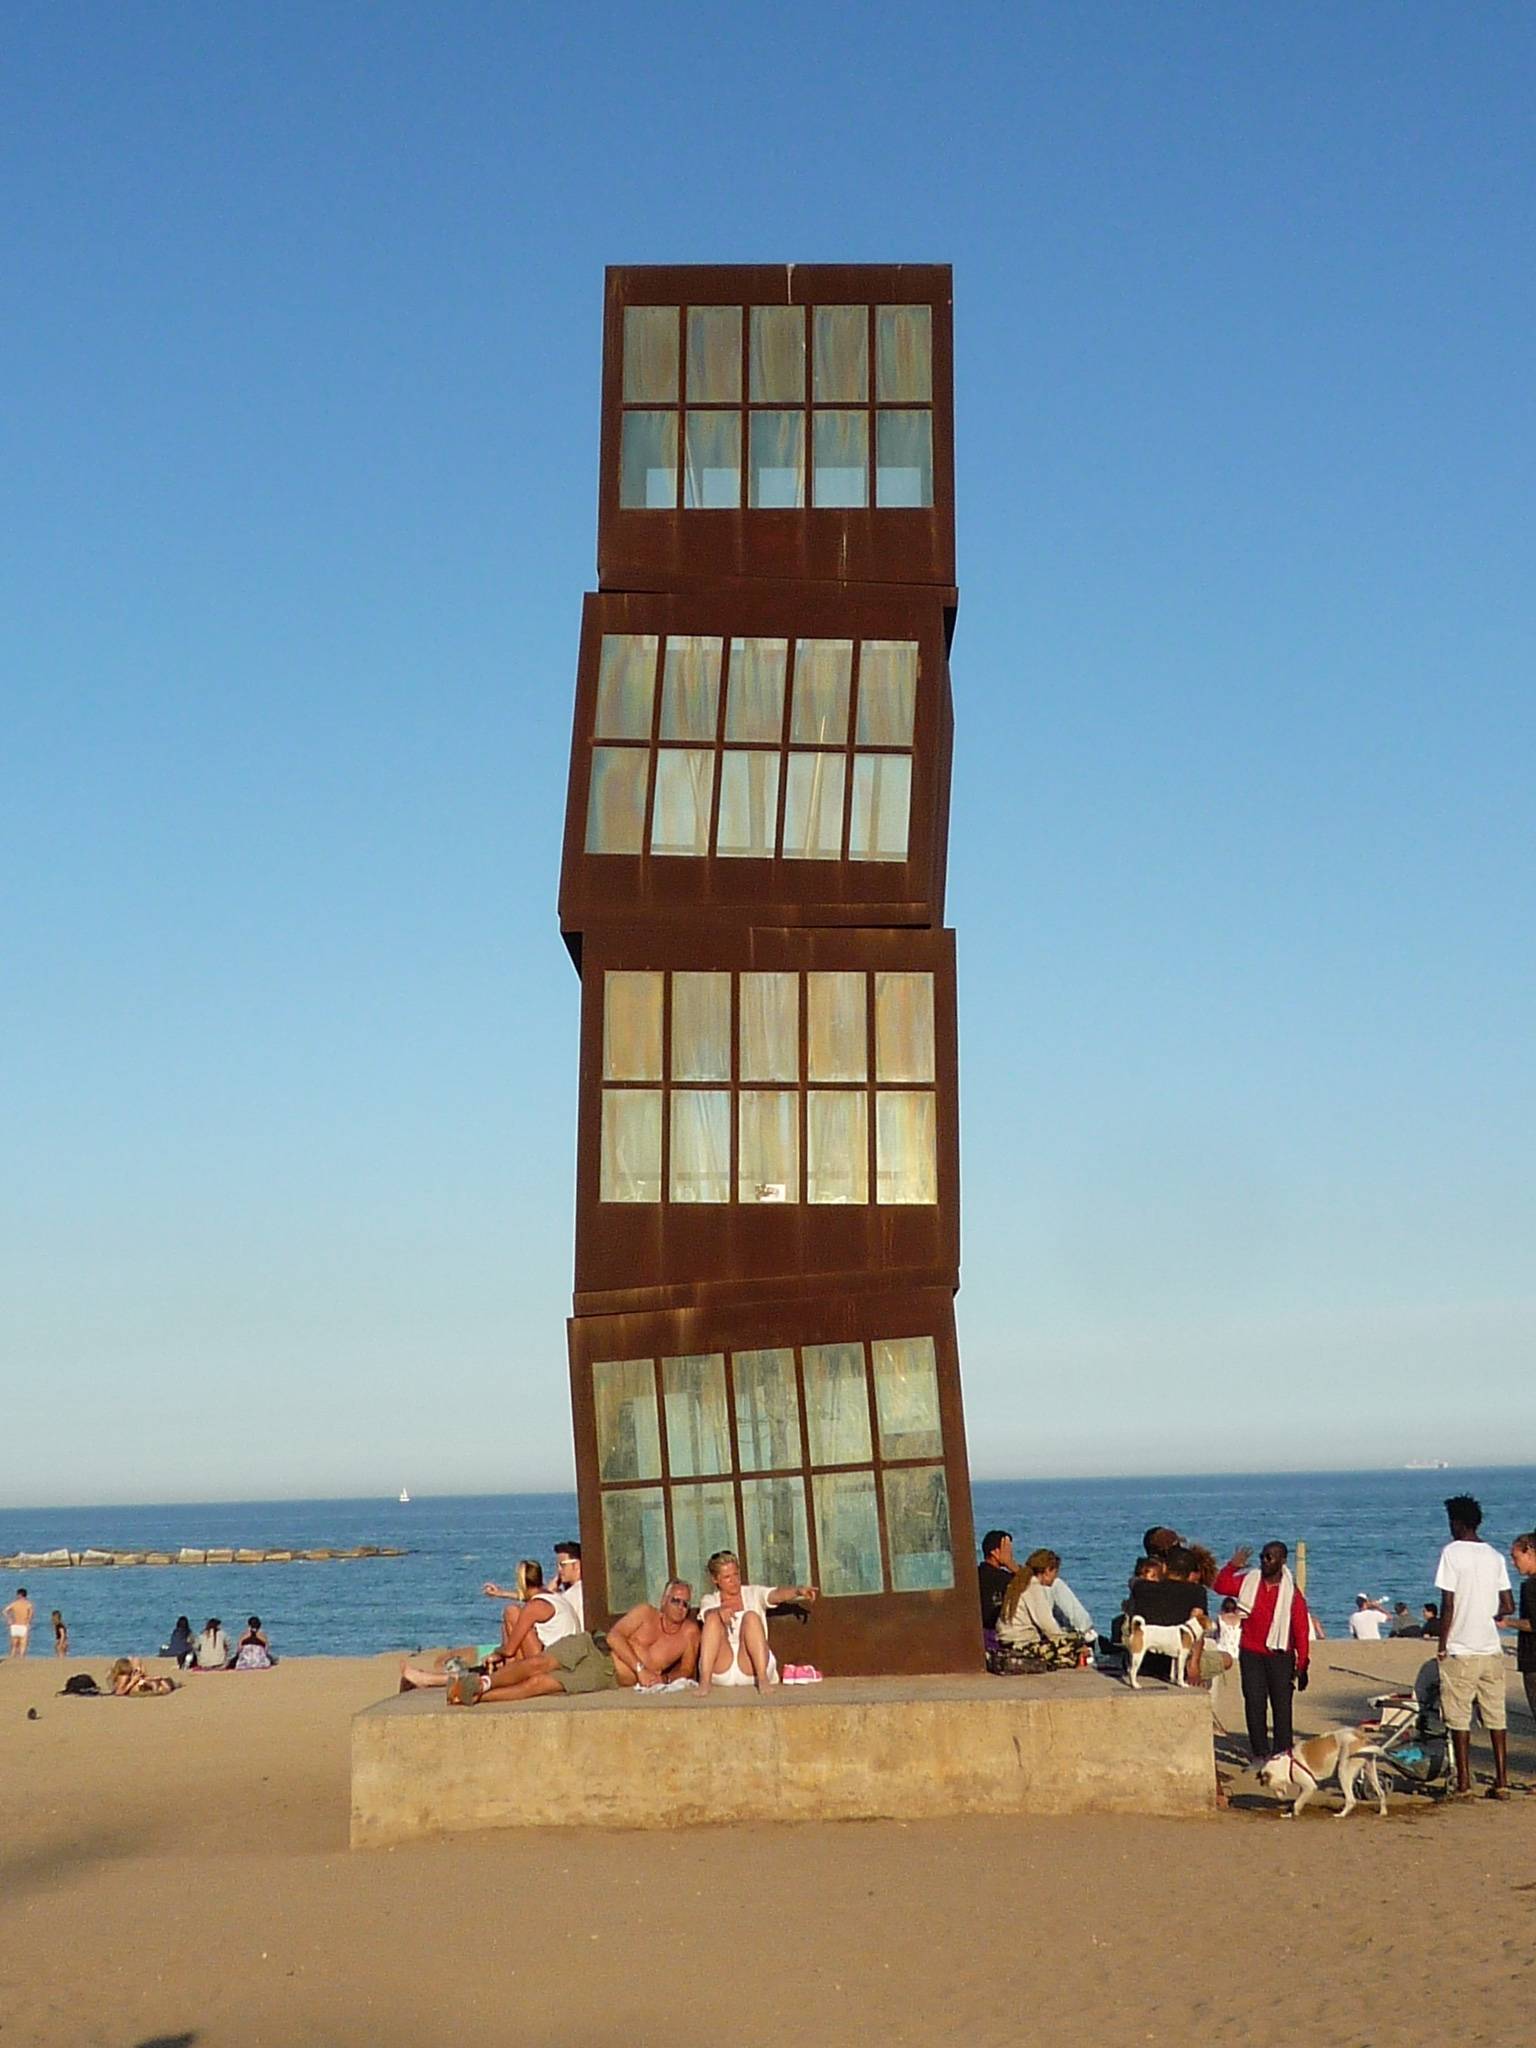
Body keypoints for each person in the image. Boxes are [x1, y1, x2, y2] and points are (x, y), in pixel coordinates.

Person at [1435, 1494, 1513, 1799]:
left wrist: (1442, 1643)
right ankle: (1502, 1780)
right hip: (1491, 1648)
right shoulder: (1494, 1556)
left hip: (1461, 1647)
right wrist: (1488, 1613)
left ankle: (1465, 1782)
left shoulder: (1452, 1553)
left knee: (1458, 1716)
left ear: (1457, 1523)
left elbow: (1448, 1603)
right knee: (1496, 1716)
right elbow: (1508, 1604)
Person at [1213, 1541, 1311, 1761]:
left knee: (1281, 1706)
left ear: (1282, 1560)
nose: (1265, 1561)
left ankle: (1282, 1753)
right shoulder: (1250, 1582)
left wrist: (1302, 1664)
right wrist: (1232, 1565)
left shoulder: (1292, 1594)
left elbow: (1300, 1630)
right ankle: (1260, 1753)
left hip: (1280, 1655)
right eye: (1263, 1556)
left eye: (1270, 1557)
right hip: (1251, 1653)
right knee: (1254, 1702)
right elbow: (1220, 1586)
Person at [698, 1550, 817, 1694]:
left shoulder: (753, 1593)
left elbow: (775, 1595)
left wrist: (797, 1591)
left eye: (736, 1575)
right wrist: (718, 1611)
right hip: (722, 1667)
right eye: (727, 1577)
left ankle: (762, 1680)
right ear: (715, 1580)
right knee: (712, 1618)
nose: (734, 1581)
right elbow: (706, 1613)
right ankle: (704, 1682)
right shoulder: (710, 1599)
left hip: (751, 1665)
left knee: (751, 1617)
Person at [1123, 1547, 1210, 1683]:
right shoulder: (1198, 1592)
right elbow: (1197, 1629)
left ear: (1164, 1567)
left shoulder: (1142, 1587)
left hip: (1146, 1658)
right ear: (1191, 1574)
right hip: (1175, 1658)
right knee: (1226, 1659)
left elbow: (1132, 1581)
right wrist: (1194, 1665)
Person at [996, 1550, 1091, 1669]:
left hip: (1007, 1641)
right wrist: (1070, 1642)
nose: (1056, 1577)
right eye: (1055, 1572)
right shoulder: (1033, 1588)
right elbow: (1048, 1625)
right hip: (1023, 1644)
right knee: (1077, 1642)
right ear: (1047, 1571)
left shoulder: (1018, 1583)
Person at [606, 1581, 701, 1687]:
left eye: (685, 1604)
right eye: (676, 1601)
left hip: (624, 1686)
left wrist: (665, 1679)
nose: (680, 1607)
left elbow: (687, 1670)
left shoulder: (689, 1632)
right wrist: (640, 1669)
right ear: (663, 1600)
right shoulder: (645, 1613)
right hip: (604, 1664)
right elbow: (613, 1636)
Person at [482, 1559, 580, 1662]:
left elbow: (509, 1651)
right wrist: (500, 1593)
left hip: (551, 1661)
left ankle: (516, 1666)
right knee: (513, 1623)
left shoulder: (534, 1607)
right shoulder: (551, 1596)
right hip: (568, 1655)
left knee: (511, 1612)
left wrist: (497, 1651)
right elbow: (527, 1597)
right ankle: (515, 1665)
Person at [1500, 1532, 1536, 1726]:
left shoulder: (1531, 1586)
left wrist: (1509, 1623)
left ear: (1529, 1553)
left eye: (1516, 1558)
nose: (1514, 1563)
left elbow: (1533, 1623)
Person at [978, 1530, 1016, 1631]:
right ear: (995, 1552)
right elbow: (1030, 1584)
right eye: (1008, 1550)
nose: (1011, 1554)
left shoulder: (976, 1573)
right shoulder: (1005, 1579)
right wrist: (1011, 1564)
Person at [553, 1541, 585, 1629]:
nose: (559, 1570)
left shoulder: (571, 1595)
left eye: (562, 1565)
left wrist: (549, 1592)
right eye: (557, 1565)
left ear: (577, 1565)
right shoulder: (585, 1589)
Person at [109, 1657, 176, 1697]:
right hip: (135, 1687)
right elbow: (119, 1692)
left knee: (160, 1681)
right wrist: (133, 1681)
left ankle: (160, 1688)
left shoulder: (127, 1675)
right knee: (156, 1683)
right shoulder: (123, 1677)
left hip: (138, 1685)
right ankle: (159, 1689)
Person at [5, 1587, 33, 1658]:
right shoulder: (28, 1604)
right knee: (23, 1645)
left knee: (14, 1645)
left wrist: (9, 1619)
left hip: (15, 1625)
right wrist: (28, 1623)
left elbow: (5, 1611)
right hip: (24, 1625)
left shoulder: (14, 1604)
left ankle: (12, 1659)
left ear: (19, 1595)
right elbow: (30, 1616)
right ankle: (21, 1660)